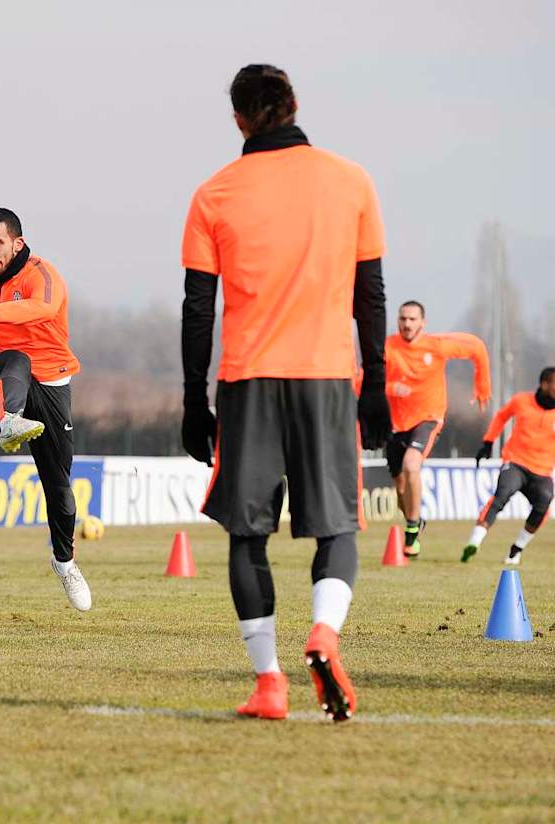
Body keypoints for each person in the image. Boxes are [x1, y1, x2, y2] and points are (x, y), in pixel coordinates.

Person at [181, 64, 389, 722]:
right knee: (337, 527)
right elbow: (371, 294)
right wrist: (377, 382)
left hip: (247, 380)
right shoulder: (352, 181)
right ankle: (324, 634)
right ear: (295, 104)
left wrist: (194, 399)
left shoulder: (214, 193)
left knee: (248, 536)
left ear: (239, 119)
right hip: (327, 374)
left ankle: (270, 683)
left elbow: (196, 309)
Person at [0, 208, 91, 612]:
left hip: (51, 384)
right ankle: (10, 420)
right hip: (1, 378)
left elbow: (42, 309)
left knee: (60, 490)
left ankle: (64, 563)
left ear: (17, 242)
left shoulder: (42, 275)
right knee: (15, 358)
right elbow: (4, 340)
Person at [385, 301, 491, 557]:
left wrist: (482, 385)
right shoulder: (388, 346)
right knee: (400, 489)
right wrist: (390, 389)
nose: (407, 324)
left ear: (423, 322)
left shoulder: (438, 345)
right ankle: (415, 519)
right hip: (396, 424)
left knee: (412, 464)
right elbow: (369, 376)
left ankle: (411, 533)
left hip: (429, 418)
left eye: (412, 319)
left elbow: (476, 347)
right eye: (403, 319)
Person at [461, 367, 555, 564]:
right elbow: (501, 417)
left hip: (542, 471)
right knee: (502, 494)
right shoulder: (521, 401)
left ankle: (517, 549)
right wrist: (488, 442)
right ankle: (475, 541)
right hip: (516, 462)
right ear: (545, 384)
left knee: (544, 502)